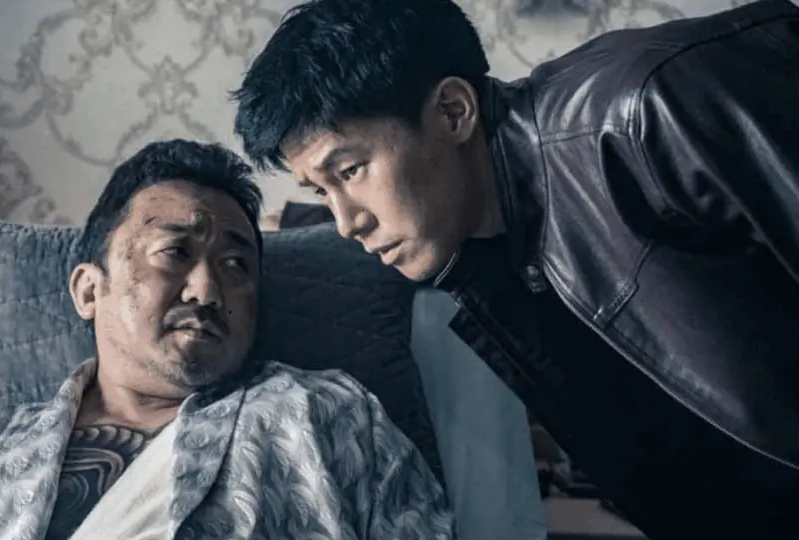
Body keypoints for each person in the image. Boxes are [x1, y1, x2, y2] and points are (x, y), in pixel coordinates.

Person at [231, 0, 799, 538]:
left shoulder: (654, 108)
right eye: (320, 191)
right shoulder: (484, 248)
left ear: (453, 112)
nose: (347, 223)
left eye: (350, 171)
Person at [0, 140, 454, 540]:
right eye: (175, 253)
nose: (207, 290)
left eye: (236, 265)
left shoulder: (331, 419)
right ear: (89, 290)